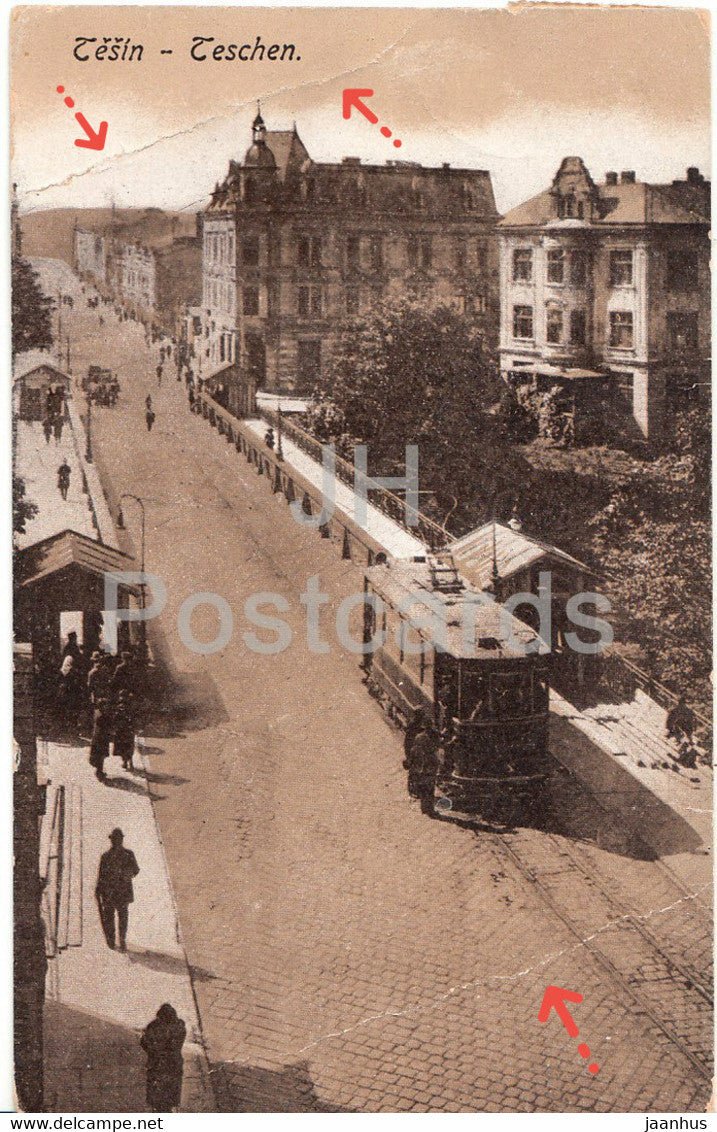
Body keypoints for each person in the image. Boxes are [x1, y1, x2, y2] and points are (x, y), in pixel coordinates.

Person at [95, 828, 139, 950]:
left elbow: (135, 870)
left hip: (122, 892)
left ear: (121, 840)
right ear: (112, 840)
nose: (116, 841)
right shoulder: (105, 856)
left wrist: (126, 875)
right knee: (110, 917)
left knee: (122, 917)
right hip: (109, 892)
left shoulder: (129, 854)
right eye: (114, 839)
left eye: (118, 839)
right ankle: (111, 942)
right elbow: (101, 875)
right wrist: (98, 889)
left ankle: (121, 941)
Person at [140, 1004, 186, 1113]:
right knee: (170, 1093)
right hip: (174, 1065)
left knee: (157, 1096)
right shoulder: (180, 1027)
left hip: (157, 1065)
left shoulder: (154, 1026)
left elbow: (144, 1043)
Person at [406, 726, 439, 815]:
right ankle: (428, 809)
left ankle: (425, 808)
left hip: (422, 768)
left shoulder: (419, 738)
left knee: (424, 788)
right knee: (429, 789)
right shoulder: (430, 744)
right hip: (428, 768)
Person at [88, 700, 113, 780]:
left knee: (98, 755)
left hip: (96, 737)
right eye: (105, 706)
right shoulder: (102, 716)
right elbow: (106, 727)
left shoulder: (96, 712)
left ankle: (99, 771)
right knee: (100, 755)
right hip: (101, 738)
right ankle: (99, 773)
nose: (107, 707)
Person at [113, 691, 136, 770]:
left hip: (122, 729)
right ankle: (130, 762)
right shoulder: (131, 706)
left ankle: (126, 762)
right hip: (129, 729)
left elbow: (116, 718)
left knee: (123, 745)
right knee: (129, 745)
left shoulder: (120, 706)